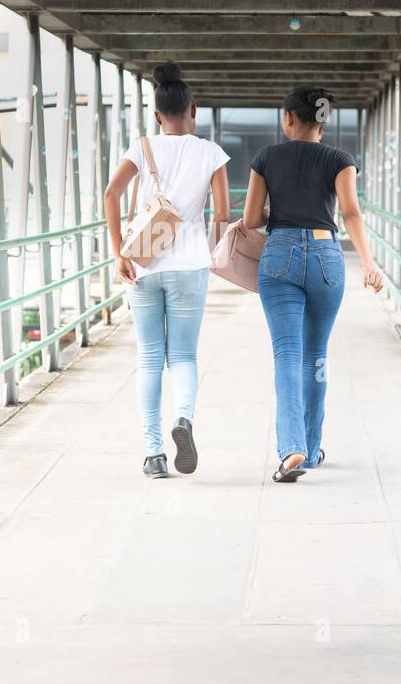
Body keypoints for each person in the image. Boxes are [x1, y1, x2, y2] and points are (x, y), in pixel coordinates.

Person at [242, 86, 383, 483]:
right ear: (324, 120)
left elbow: (252, 219)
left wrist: (280, 207)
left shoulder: (266, 157)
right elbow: (351, 213)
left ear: (288, 117)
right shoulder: (340, 159)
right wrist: (369, 263)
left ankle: (292, 447)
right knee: (316, 355)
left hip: (280, 255)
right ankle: (311, 448)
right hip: (326, 256)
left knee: (287, 354)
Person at [104, 62, 230, 478]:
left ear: (158, 114)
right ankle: (183, 419)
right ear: (192, 109)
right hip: (191, 264)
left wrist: (118, 251)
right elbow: (222, 214)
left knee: (150, 356)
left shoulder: (142, 147)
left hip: (143, 262)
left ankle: (155, 453)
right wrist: (215, 255)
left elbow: (112, 193)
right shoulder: (211, 152)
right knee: (183, 355)